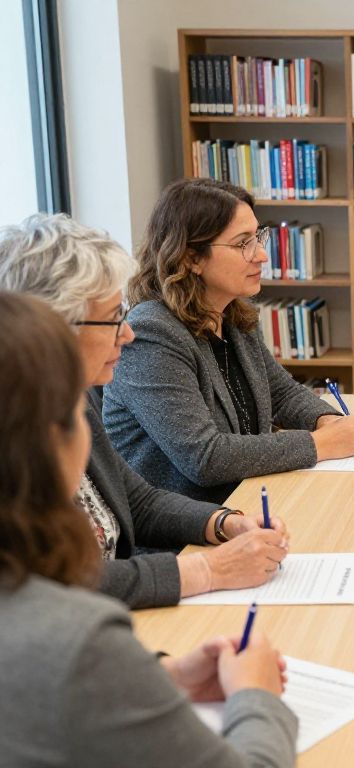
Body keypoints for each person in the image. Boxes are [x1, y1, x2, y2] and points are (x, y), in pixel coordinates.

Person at [0, 291, 297, 767]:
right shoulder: (79, 638)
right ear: (51, 439)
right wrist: (256, 695)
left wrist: (164, 677)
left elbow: (135, 497)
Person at [0, 214, 287, 609]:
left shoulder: (71, 399)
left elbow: (138, 501)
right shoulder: (16, 432)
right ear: (51, 329)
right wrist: (209, 569)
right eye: (112, 318)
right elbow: (46, 585)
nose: (128, 332)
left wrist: (223, 523)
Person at [103, 178, 354, 504]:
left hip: (246, 501)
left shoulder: (231, 314)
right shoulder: (151, 335)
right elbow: (205, 458)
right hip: (188, 531)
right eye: (242, 243)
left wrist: (326, 420)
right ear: (191, 258)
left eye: (259, 237)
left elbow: (282, 394)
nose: (261, 255)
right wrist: (320, 443)